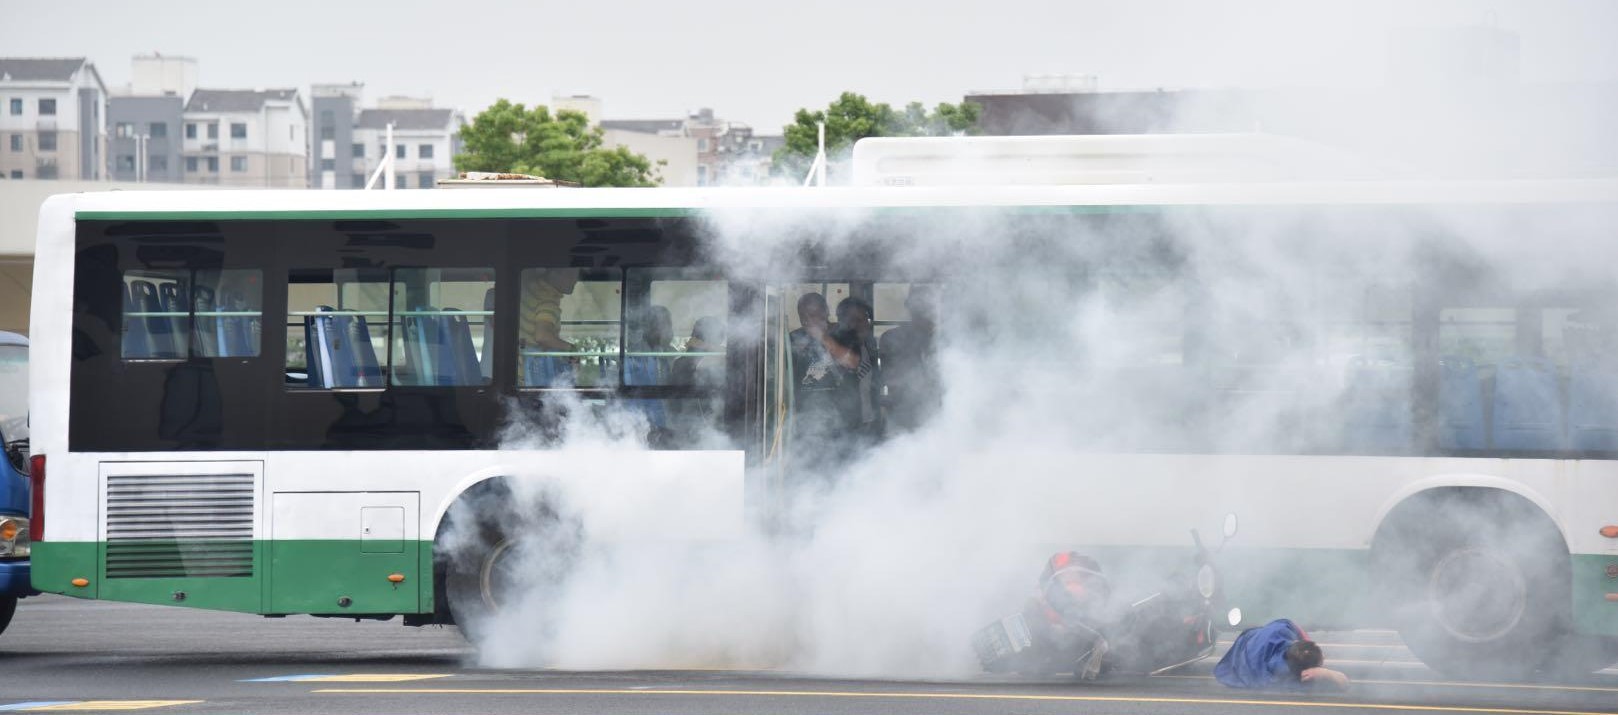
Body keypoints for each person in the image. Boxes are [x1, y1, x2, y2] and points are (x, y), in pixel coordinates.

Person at [789, 293, 863, 460]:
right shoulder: (793, 339)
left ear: (826, 311)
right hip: (806, 423)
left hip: (843, 422)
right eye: (803, 315)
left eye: (814, 313)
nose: (808, 319)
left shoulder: (845, 333)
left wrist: (822, 337)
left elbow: (852, 362)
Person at [1213, 618, 1349, 690]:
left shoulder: (1281, 631)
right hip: (1243, 657)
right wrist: (1325, 673)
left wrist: (1306, 642)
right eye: (1321, 662)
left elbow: (1289, 623)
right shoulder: (1292, 680)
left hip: (1246, 646)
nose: (1324, 658)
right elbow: (1344, 683)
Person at [880, 285, 942, 432]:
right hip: (901, 409)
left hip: (935, 408)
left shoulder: (942, 339)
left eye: (926, 307)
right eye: (918, 306)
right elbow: (883, 376)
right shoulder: (891, 337)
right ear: (909, 307)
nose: (923, 312)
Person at [833, 296, 882, 441]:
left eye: (865, 318)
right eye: (854, 319)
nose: (861, 324)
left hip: (870, 424)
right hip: (842, 426)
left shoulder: (870, 345)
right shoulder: (835, 348)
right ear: (842, 321)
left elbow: (874, 385)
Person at [521, 268, 580, 387]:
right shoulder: (548, 299)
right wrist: (572, 349)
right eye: (571, 274)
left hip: (521, 372)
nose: (575, 280)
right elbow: (542, 336)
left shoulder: (532, 289)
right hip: (530, 377)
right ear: (555, 273)